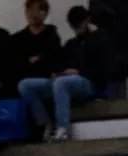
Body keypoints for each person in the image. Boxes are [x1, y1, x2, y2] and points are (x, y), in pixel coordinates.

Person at [18, 4, 111, 142]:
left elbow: (103, 69)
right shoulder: (70, 44)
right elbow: (60, 62)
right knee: (25, 85)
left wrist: (78, 71)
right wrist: (57, 72)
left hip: (88, 82)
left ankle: (62, 128)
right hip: (65, 80)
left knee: (61, 83)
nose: (76, 30)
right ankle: (44, 123)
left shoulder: (100, 40)